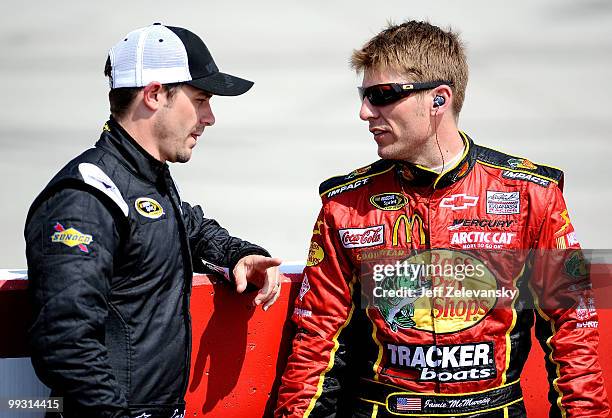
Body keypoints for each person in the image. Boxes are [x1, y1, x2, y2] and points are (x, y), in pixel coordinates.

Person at [276, 20, 609, 417]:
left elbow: (573, 333)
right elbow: (317, 340)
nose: (365, 112)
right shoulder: (346, 204)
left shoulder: (531, 194)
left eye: (382, 95)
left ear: (439, 98)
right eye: (364, 96)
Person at [24, 23, 282, 418]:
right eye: (201, 99)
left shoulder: (146, 181)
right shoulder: (85, 196)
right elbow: (65, 341)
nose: (210, 117)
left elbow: (190, 229)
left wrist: (239, 256)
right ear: (155, 94)